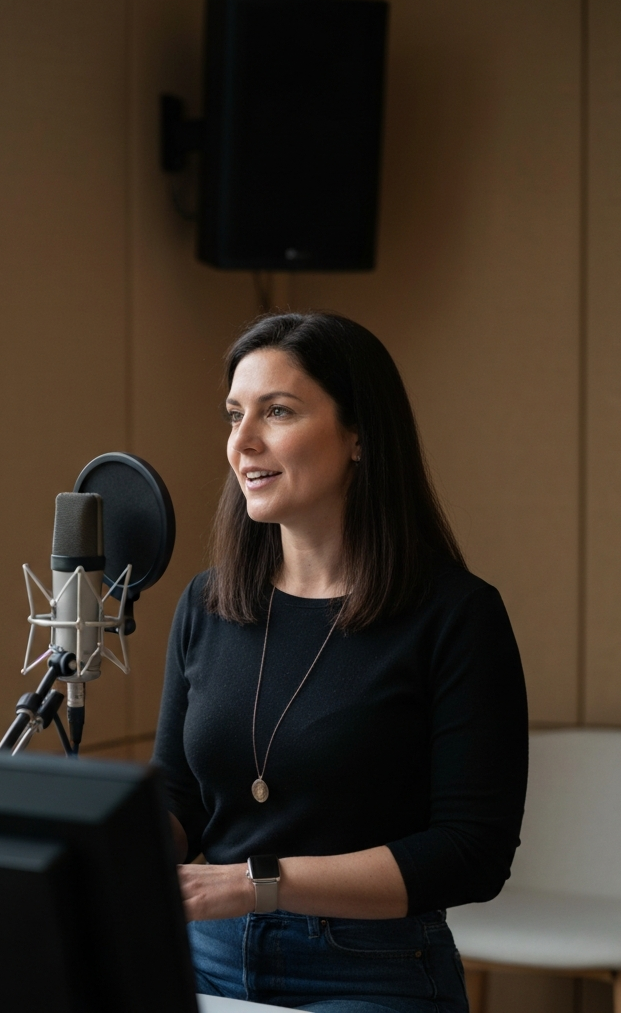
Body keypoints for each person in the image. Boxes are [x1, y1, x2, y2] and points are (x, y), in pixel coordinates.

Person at [152, 311, 528, 1012]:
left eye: (279, 411)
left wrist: (254, 882)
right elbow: (180, 799)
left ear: (358, 436)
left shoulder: (456, 616)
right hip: (203, 957)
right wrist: (105, 847)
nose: (244, 442)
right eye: (235, 415)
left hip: (369, 969)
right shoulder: (206, 603)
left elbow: (471, 852)